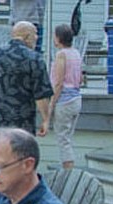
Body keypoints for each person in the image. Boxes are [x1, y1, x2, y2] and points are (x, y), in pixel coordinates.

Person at [0, 21, 53, 137]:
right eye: (35, 34)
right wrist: (45, 119)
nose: (37, 37)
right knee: (21, 153)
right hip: (22, 123)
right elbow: (41, 95)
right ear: (27, 36)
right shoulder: (34, 59)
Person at [49, 24, 82, 170]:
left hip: (64, 100)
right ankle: (69, 169)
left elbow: (59, 82)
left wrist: (51, 104)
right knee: (68, 138)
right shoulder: (76, 53)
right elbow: (80, 78)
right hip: (76, 98)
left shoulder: (61, 55)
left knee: (63, 140)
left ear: (58, 38)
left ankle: (68, 173)